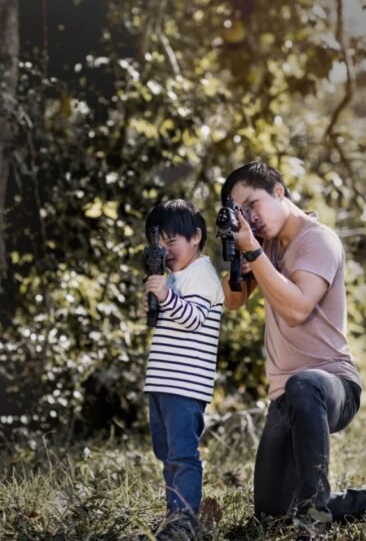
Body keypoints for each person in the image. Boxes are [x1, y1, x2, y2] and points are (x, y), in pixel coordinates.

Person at [219, 161, 366, 531]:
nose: (252, 218)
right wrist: (237, 254)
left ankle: (315, 519)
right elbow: (233, 301)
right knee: (271, 513)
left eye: (254, 205)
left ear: (279, 191)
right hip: (286, 397)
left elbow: (297, 308)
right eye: (241, 213)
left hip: (332, 385)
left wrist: (253, 253)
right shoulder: (262, 245)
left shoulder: (318, 239)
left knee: (304, 384)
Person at [141, 199, 225, 540]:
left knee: (182, 456)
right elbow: (170, 321)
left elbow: (193, 319)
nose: (165, 250)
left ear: (196, 237)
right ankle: (174, 517)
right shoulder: (174, 277)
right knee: (167, 455)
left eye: (172, 241)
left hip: (185, 386)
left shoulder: (202, 274)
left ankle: (185, 523)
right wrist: (153, 303)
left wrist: (166, 297)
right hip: (163, 383)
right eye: (159, 244)